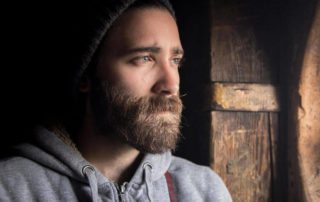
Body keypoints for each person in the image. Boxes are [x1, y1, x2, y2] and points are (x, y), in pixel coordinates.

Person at [0, 0, 232, 201]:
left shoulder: (204, 190)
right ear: (87, 76)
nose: (171, 85)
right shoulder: (10, 189)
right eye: (144, 58)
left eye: (175, 60)